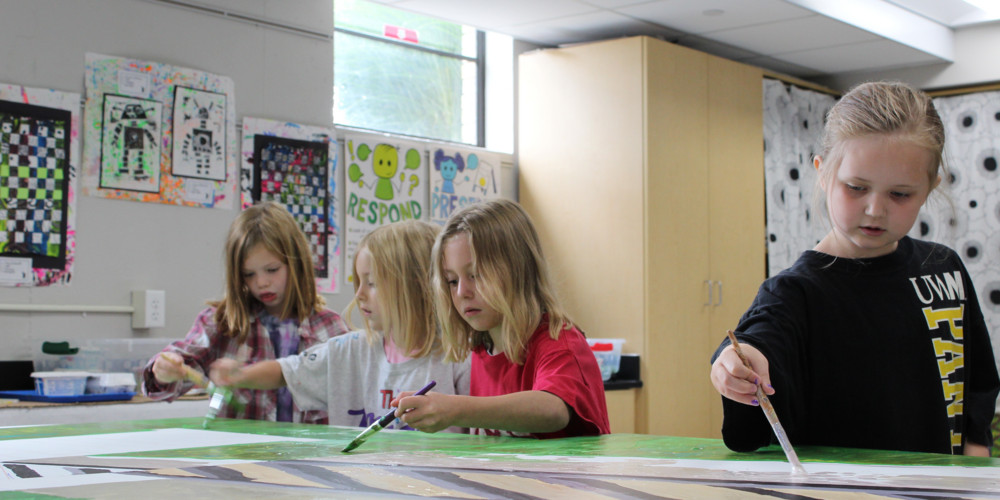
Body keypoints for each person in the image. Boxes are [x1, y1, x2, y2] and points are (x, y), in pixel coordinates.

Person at [710, 81, 1000, 456]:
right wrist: (739, 362)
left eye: (900, 194)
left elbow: (977, 381)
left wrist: (975, 454)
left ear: (929, 188)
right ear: (823, 172)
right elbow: (760, 339)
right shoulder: (796, 292)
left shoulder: (944, 267)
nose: (875, 209)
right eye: (856, 187)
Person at [208, 220, 470, 431]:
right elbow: (286, 370)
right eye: (359, 282)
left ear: (417, 286)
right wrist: (240, 375)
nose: (359, 295)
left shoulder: (460, 357)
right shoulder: (349, 350)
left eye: (373, 283)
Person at [391, 198, 610, 438]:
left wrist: (456, 409)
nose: (462, 291)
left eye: (476, 275)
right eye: (452, 281)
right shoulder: (482, 348)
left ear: (519, 270)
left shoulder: (560, 341)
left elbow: (554, 409)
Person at [142, 201, 349, 423]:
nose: (261, 282)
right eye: (249, 274)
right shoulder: (222, 322)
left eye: (272, 270)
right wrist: (164, 370)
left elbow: (351, 393)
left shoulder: (330, 328)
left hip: (311, 453)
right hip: (238, 455)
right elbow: (174, 371)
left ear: (297, 264)